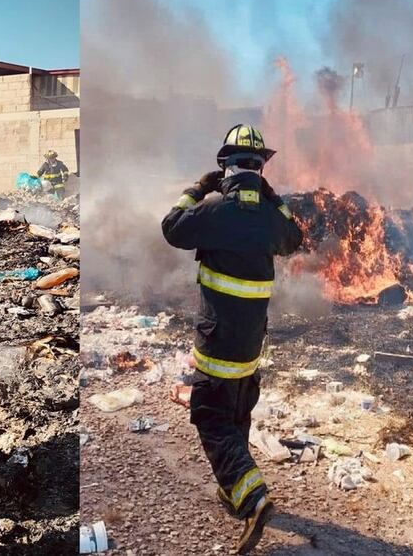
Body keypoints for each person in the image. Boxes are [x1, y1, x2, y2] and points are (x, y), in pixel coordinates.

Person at [160, 124, 304, 554]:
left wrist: (195, 190)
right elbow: (294, 237)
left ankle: (253, 495)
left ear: (225, 166)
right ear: (261, 169)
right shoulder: (268, 219)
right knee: (236, 412)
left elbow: (171, 228)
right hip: (250, 345)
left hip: (217, 340)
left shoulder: (215, 211)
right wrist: (274, 199)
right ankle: (232, 491)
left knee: (211, 417)